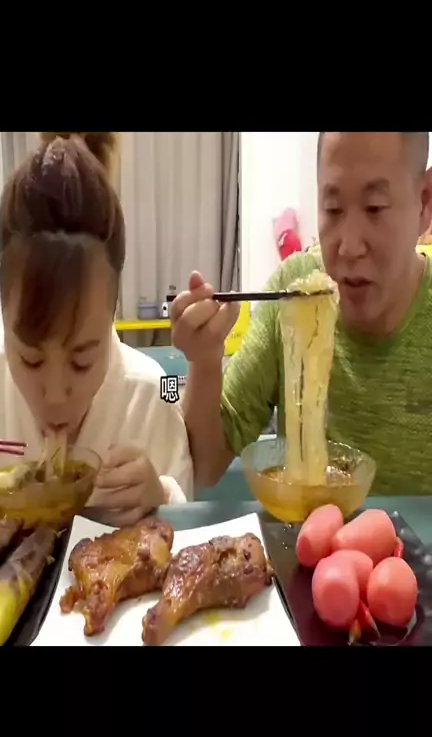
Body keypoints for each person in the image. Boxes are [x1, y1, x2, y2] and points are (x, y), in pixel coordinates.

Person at [172, 132, 432, 496]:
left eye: (375, 208)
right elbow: (203, 466)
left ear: (424, 202)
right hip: (304, 530)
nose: (349, 247)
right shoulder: (294, 292)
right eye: (333, 209)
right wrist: (204, 361)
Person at [0, 132, 193, 519]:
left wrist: (161, 497)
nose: (55, 396)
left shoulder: (154, 394)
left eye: (82, 362)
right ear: (2, 310)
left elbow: (189, 524)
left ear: (113, 310)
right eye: (31, 360)